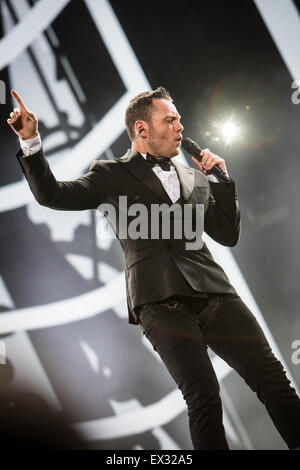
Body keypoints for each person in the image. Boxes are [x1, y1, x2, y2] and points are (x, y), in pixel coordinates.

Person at [7, 87, 300, 450]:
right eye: (171, 119)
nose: (180, 126)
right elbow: (52, 194)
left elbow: (227, 234)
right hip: (160, 302)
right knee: (204, 396)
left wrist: (223, 182)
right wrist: (32, 142)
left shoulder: (193, 178)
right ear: (142, 130)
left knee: (272, 377)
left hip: (215, 293)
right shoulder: (110, 174)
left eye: (178, 119)